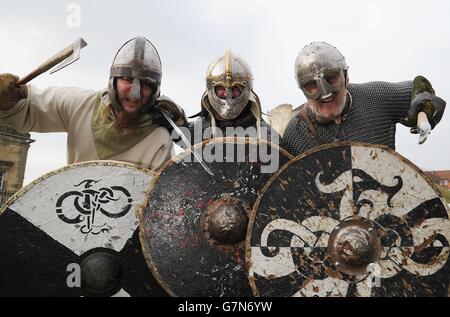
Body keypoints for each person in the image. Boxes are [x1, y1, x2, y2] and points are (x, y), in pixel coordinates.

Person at [0, 36, 186, 171]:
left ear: (156, 91)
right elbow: (32, 107)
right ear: (113, 81)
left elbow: (158, 203)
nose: (135, 93)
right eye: (127, 80)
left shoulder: (159, 139)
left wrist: (185, 125)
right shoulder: (80, 106)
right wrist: (10, 100)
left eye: (146, 84)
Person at [281, 42, 446, 156]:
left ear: (346, 78)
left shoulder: (376, 96)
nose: (325, 93)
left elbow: (419, 90)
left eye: (332, 78)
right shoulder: (296, 132)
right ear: (303, 91)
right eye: (312, 85)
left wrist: (424, 108)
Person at [187, 50, 275, 145]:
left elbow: (286, 158)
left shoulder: (266, 134)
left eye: (235, 88)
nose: (227, 94)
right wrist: (177, 120)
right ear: (210, 90)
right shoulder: (196, 130)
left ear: (247, 91)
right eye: (221, 88)